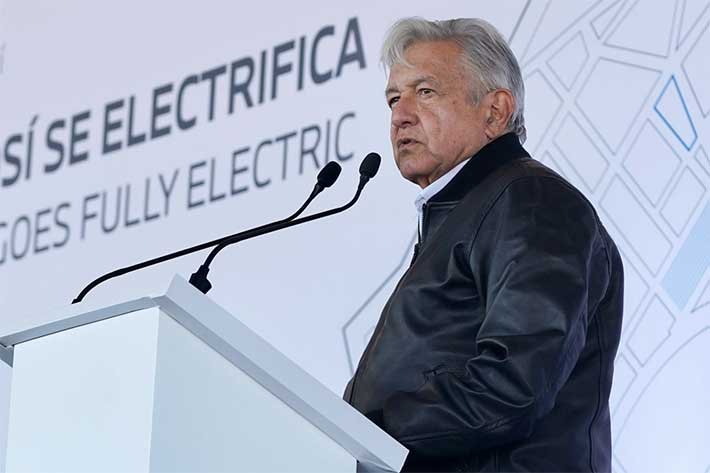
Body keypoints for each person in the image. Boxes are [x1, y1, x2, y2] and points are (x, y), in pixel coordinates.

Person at [343, 17, 624, 472]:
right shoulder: (469, 210)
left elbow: (513, 387)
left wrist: (368, 431)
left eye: (425, 92)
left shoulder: (532, 202)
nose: (400, 115)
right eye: (394, 98)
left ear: (495, 111)